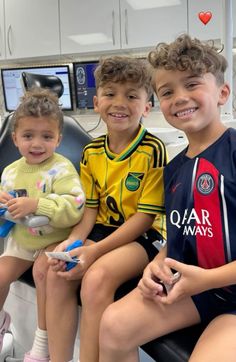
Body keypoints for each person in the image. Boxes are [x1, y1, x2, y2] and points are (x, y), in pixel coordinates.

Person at [98, 34, 236, 362]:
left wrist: (206, 280)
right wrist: (155, 267)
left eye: (191, 84)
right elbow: (176, 241)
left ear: (222, 93)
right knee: (113, 325)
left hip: (224, 290)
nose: (180, 97)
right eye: (167, 91)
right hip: (198, 289)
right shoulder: (173, 169)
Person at [47, 55, 168, 362]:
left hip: (144, 236)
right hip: (103, 230)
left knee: (96, 278)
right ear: (97, 102)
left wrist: (93, 252)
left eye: (131, 95)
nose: (120, 103)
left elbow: (144, 218)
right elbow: (90, 211)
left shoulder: (152, 149)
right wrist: (72, 243)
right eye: (111, 93)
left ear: (146, 106)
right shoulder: (91, 152)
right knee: (55, 270)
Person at [0, 88, 85, 360]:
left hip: (52, 239)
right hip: (23, 241)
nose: (37, 144)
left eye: (46, 137)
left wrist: (37, 204)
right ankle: (2, 324)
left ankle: (41, 345)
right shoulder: (10, 171)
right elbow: (7, 208)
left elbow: (75, 207)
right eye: (28, 136)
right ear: (15, 138)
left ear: (58, 139)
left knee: (42, 273)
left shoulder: (61, 170)